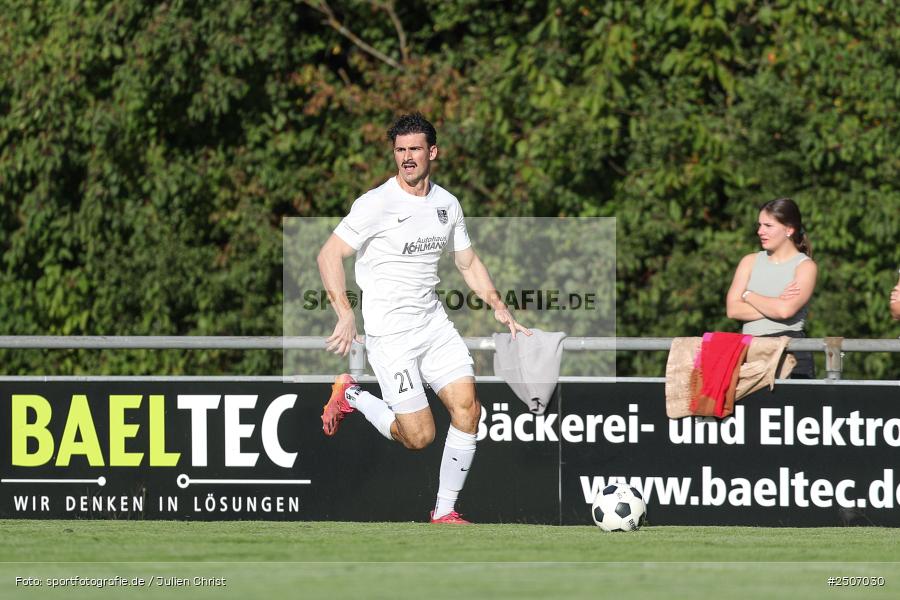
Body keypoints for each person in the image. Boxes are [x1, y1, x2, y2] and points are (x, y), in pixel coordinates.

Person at [316, 113, 531, 524]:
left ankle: (445, 512)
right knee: (419, 438)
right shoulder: (375, 203)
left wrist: (498, 305)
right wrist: (344, 313)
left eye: (415, 149)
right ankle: (352, 395)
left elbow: (466, 262)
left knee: (469, 409)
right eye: (400, 150)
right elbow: (328, 255)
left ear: (433, 152)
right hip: (391, 335)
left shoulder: (447, 204)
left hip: (433, 326)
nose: (407, 158)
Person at [726, 198, 818, 378]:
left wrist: (747, 295)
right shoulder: (749, 261)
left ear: (789, 230)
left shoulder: (805, 266)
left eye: (768, 225)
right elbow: (732, 310)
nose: (760, 231)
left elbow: (785, 311)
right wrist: (775, 303)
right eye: (759, 225)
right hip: (751, 352)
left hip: (790, 353)